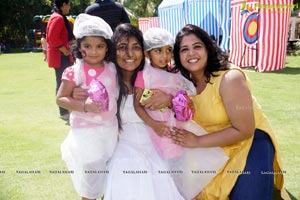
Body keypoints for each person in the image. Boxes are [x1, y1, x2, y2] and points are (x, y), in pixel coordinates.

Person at [170, 24, 290, 200]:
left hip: (250, 141)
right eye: (184, 49)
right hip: (213, 145)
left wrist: (197, 141)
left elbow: (244, 129)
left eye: (197, 47)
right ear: (178, 56)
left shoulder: (229, 78)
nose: (191, 54)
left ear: (208, 48)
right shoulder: (183, 84)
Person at [72, 23, 184, 200]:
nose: (130, 55)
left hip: (156, 146)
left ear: (144, 51)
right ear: (112, 50)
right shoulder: (105, 78)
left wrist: (170, 100)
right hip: (119, 146)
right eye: (122, 48)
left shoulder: (155, 75)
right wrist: (76, 92)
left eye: (136, 48)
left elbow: (185, 103)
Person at [133, 27, 228, 199]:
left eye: (168, 50)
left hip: (177, 130)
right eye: (158, 51)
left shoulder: (176, 74)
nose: (165, 56)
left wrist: (175, 102)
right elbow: (137, 105)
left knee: (182, 169)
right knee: (163, 172)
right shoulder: (144, 75)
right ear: (147, 54)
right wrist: (153, 124)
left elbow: (184, 103)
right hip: (156, 132)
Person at [56, 14, 118, 200]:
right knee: (91, 179)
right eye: (87, 46)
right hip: (86, 133)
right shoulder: (76, 70)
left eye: (99, 46)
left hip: (110, 131)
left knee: (107, 175)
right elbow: (60, 98)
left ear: (107, 47)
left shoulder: (112, 68)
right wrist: (83, 105)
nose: (93, 51)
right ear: (79, 46)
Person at [46, 0, 74, 121]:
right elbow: (52, 38)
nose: (69, 8)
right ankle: (64, 111)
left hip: (62, 55)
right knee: (63, 82)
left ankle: (66, 109)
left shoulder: (58, 16)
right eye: (68, 5)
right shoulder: (58, 18)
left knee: (64, 81)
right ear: (64, 5)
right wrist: (64, 50)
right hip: (61, 56)